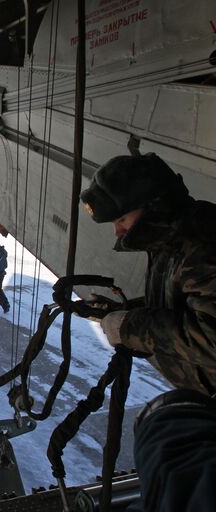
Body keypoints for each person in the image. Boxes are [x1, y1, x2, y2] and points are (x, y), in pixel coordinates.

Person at [81, 153, 216, 510]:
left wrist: (131, 326)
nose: (118, 231)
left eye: (122, 219)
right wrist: (124, 314)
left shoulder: (202, 245)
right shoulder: (174, 237)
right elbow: (183, 306)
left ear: (153, 206)